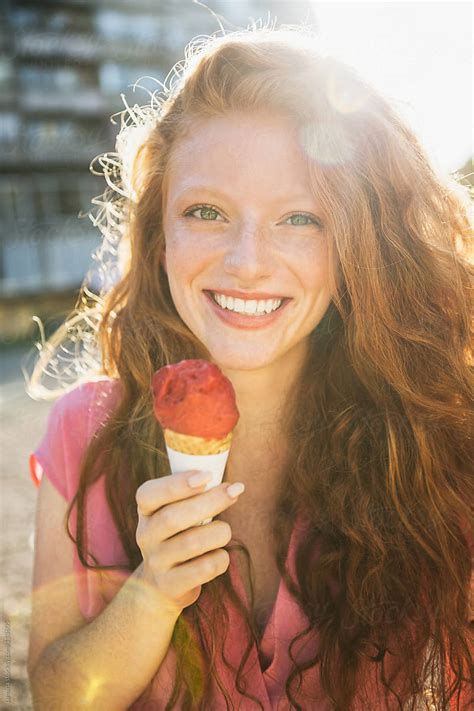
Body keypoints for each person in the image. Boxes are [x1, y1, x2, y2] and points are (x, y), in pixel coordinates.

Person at [26, 24, 472, 711]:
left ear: (358, 240)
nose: (247, 261)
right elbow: (56, 694)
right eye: (206, 211)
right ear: (159, 234)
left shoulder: (433, 435)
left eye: (300, 218)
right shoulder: (83, 432)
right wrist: (152, 594)